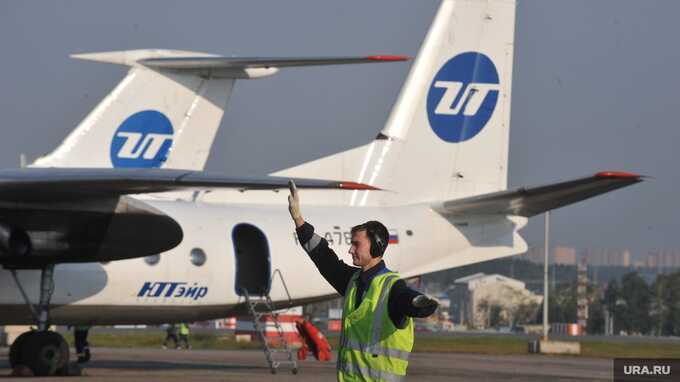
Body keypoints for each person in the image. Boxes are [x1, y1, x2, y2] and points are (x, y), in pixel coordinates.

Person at [287, 180, 438, 381]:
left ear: (376, 247)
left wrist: (419, 303)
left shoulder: (392, 288)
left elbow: (411, 302)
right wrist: (298, 220)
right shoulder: (352, 281)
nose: (350, 250)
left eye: (356, 245)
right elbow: (324, 258)